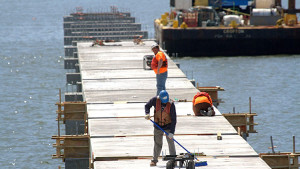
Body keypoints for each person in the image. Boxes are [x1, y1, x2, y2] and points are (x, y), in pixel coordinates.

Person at [145, 90, 176, 167]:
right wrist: (147, 113)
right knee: (157, 143)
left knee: (171, 143)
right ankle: (154, 160)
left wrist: (171, 132)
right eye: (163, 101)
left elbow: (174, 119)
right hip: (157, 125)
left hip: (168, 126)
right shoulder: (155, 100)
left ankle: (173, 160)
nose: (165, 103)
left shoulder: (171, 104)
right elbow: (147, 105)